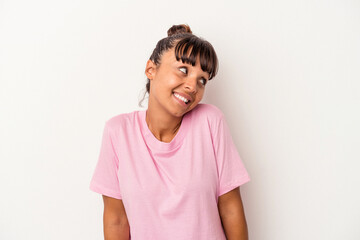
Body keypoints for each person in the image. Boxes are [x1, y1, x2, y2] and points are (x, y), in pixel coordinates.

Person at [89, 24, 251, 240]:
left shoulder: (210, 121)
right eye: (183, 70)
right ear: (151, 70)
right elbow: (116, 220)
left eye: (202, 80)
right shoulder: (118, 132)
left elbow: (231, 208)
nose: (193, 86)